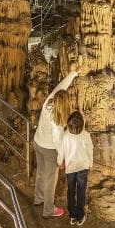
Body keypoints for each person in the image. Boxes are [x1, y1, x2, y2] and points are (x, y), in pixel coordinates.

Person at [33, 71, 77, 218]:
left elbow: (60, 86)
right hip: (49, 149)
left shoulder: (49, 101)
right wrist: (60, 160)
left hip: (37, 143)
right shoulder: (57, 121)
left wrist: (73, 74)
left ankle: (38, 198)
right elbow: (58, 142)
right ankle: (48, 210)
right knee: (50, 180)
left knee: (40, 172)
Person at [57, 110, 93, 226]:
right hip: (83, 167)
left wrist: (60, 161)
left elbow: (61, 151)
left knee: (71, 191)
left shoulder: (65, 135)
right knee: (81, 192)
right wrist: (90, 164)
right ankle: (80, 216)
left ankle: (72, 216)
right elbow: (90, 150)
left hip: (70, 168)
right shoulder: (86, 135)